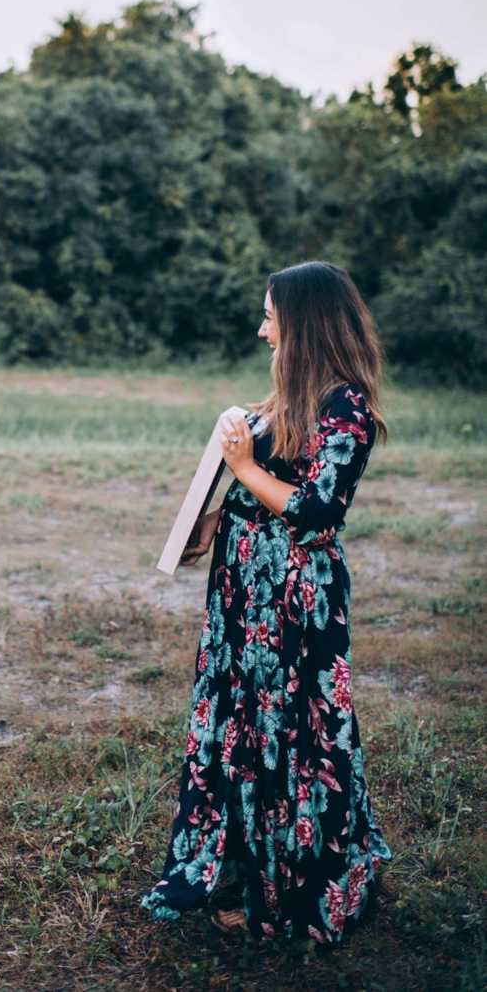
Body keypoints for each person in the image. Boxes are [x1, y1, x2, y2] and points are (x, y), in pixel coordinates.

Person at [142, 261, 392, 942]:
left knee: (297, 730)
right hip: (242, 590)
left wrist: (245, 467)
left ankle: (298, 884)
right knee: (244, 724)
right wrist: (210, 519)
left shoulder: (347, 407)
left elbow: (316, 514)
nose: (262, 330)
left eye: (271, 317)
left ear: (304, 325)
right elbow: (253, 493)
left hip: (294, 595)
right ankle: (244, 863)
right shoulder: (286, 399)